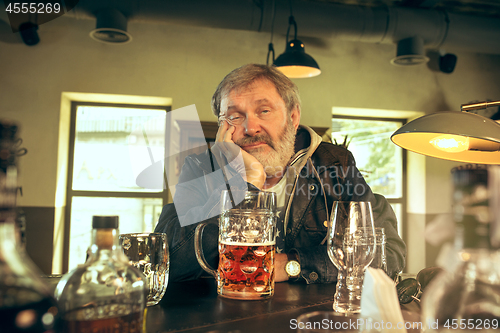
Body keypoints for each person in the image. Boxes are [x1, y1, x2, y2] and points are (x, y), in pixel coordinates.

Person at [155, 64, 406, 284]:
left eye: (264, 111)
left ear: (293, 117)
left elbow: (387, 254)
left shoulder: (334, 165)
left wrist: (291, 265)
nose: (250, 128)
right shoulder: (200, 168)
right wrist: (241, 181)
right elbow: (167, 262)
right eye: (234, 116)